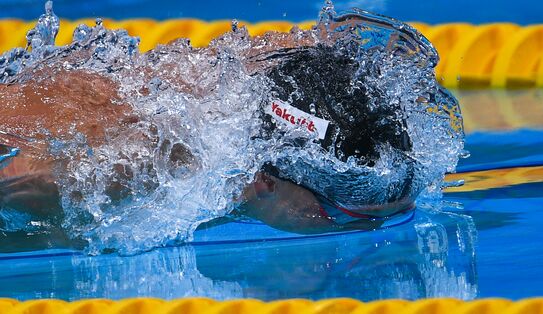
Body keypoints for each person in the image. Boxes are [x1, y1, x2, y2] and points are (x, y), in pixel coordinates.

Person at [0, 45, 415, 242]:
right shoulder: (114, 174)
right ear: (263, 182)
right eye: (339, 215)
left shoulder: (264, 80)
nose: (370, 228)